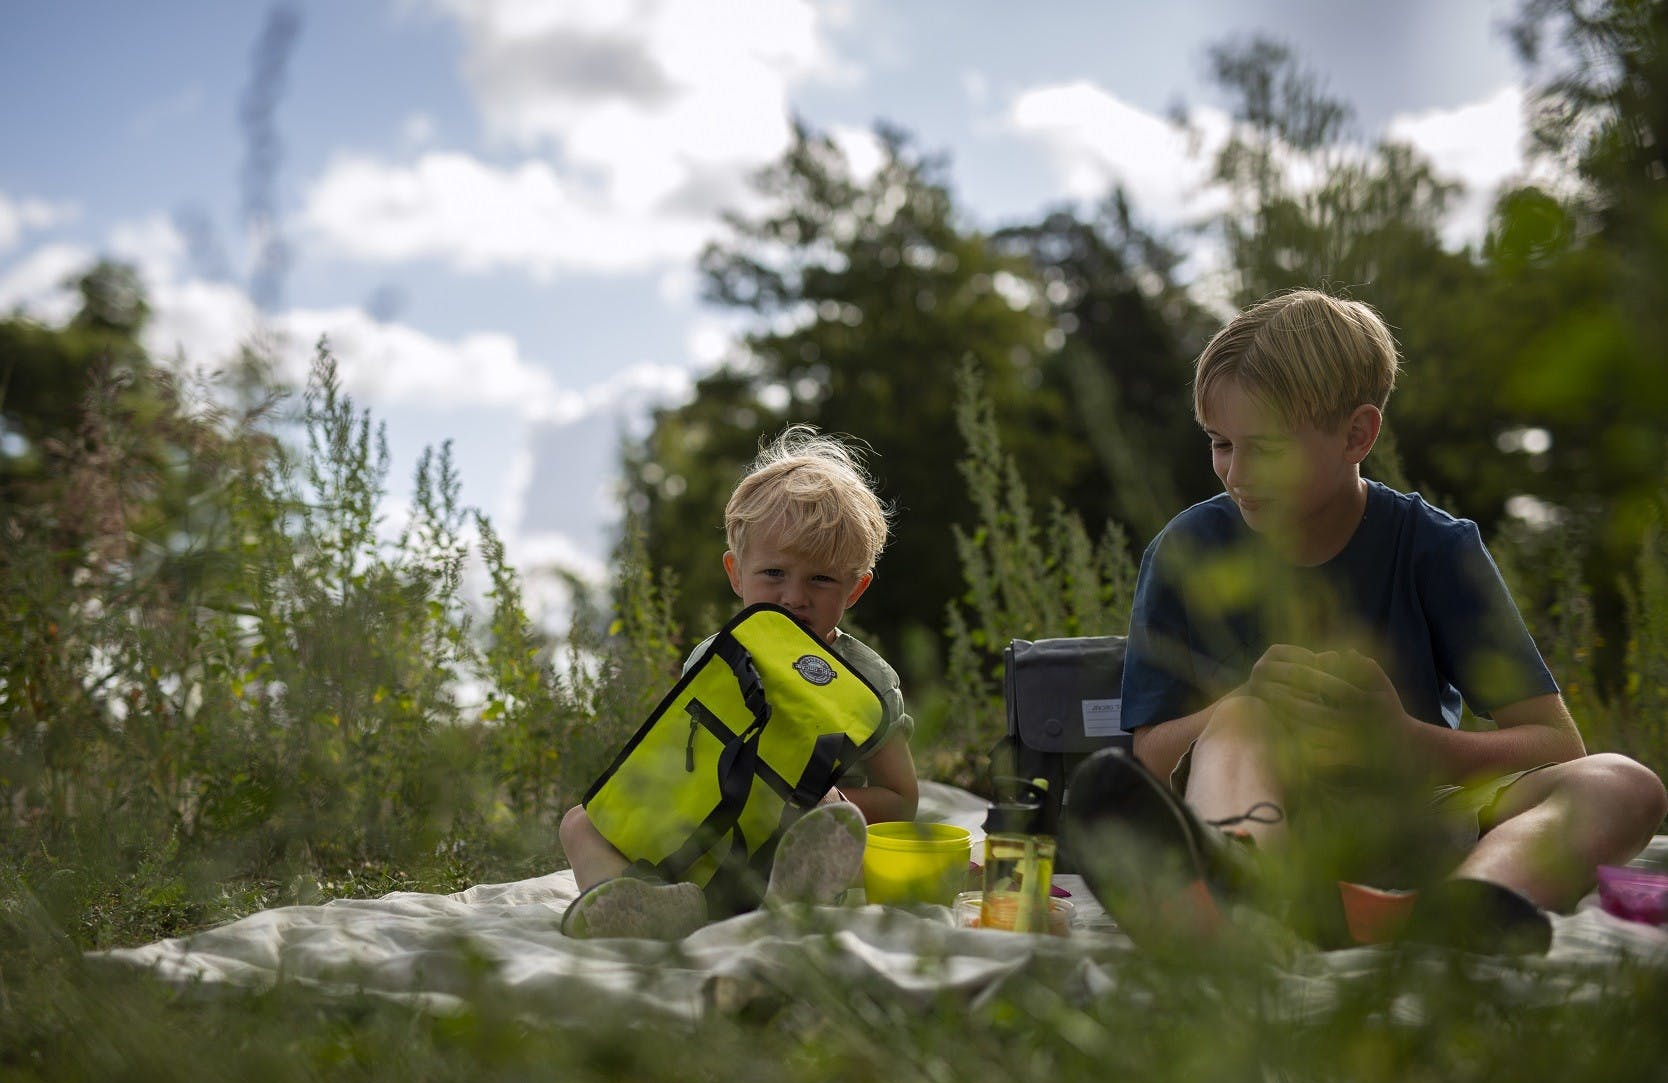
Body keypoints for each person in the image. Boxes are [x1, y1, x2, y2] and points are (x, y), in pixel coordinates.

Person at [1065, 288, 1666, 954]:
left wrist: (1406, 740)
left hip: (1417, 823)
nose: (1236, 474)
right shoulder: (1186, 550)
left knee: (1625, 784)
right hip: (1252, 816)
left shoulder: (1435, 548)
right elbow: (1148, 755)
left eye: (1264, 448)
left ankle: (1453, 915)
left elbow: (1557, 744)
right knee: (1244, 719)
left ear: (1357, 435)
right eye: (1221, 444)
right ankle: (1255, 890)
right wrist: (1245, 702)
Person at [559, 426, 918, 939]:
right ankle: (643, 907)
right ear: (736, 574)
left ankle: (786, 901)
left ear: (855, 588)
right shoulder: (714, 658)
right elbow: (675, 755)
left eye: (821, 579)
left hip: (792, 846)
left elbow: (901, 800)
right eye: (773, 574)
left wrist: (825, 802)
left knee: (832, 825)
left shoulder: (867, 681)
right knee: (580, 823)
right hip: (705, 835)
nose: (794, 597)